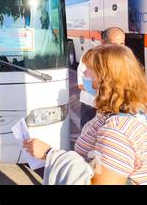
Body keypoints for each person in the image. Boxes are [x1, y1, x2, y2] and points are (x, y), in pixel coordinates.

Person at [24, 44, 147, 185]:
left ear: (104, 78)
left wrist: (49, 153)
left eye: (88, 69)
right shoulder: (127, 112)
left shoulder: (115, 131)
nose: (83, 74)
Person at [78, 27, 125, 127]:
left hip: (114, 108)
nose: (119, 48)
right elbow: (81, 85)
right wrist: (103, 91)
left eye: (122, 44)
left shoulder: (124, 60)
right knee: (87, 138)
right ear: (103, 42)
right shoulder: (89, 58)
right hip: (91, 107)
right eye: (114, 45)